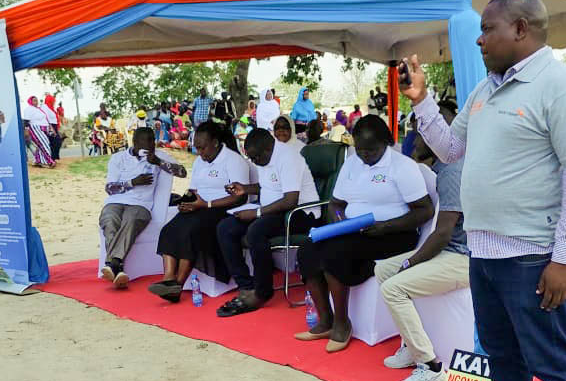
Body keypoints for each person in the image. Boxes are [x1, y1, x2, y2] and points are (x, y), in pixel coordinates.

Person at [401, 0, 566, 381]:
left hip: (532, 254)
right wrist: (422, 101)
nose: (479, 37)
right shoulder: (486, 89)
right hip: (484, 252)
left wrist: (564, 258)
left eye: (487, 28)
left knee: (553, 363)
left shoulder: (560, 86)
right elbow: (450, 149)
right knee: (503, 357)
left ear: (520, 29)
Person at [295, 115, 433, 352]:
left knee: (334, 252)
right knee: (307, 249)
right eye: (359, 149)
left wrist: (385, 226)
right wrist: (342, 225)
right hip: (356, 230)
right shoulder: (351, 163)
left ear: (386, 143)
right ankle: (325, 319)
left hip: (394, 233)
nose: (364, 155)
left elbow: (425, 210)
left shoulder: (402, 166)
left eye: (371, 150)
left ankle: (342, 322)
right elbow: (336, 204)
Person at [374, 102, 468, 381]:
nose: (414, 135)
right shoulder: (444, 166)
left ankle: (430, 368)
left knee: (394, 286)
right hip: (450, 251)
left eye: (421, 130)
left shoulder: (453, 170)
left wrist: (412, 262)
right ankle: (410, 346)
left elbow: (442, 233)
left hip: (464, 258)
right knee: (382, 269)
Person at [215, 129, 321, 316]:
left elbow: (290, 200)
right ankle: (246, 286)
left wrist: (255, 212)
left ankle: (262, 292)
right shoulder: (264, 157)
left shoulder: (288, 158)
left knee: (256, 231)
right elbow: (267, 185)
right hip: (272, 210)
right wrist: (245, 189)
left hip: (300, 214)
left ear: (268, 149)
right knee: (225, 228)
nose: (253, 162)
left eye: (255, 158)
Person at [149, 121, 251, 302]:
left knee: (191, 232)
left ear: (215, 143)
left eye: (202, 148)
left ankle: (177, 286)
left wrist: (207, 204)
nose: (199, 152)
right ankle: (168, 280)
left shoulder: (234, 161)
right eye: (196, 148)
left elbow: (240, 197)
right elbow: (194, 190)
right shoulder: (199, 162)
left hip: (224, 208)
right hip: (200, 206)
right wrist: (187, 201)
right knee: (169, 229)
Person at [99, 127, 187, 289]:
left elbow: (182, 172)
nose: (149, 145)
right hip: (116, 201)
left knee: (131, 219)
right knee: (109, 220)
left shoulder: (159, 157)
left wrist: (158, 163)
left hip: (141, 205)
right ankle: (117, 268)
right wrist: (132, 183)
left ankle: (113, 264)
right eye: (144, 141)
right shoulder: (118, 158)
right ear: (135, 142)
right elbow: (109, 188)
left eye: (152, 140)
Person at [22, 96, 55, 167]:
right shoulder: (28, 109)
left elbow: (46, 119)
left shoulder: (39, 109)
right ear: (30, 101)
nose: (36, 102)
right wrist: (26, 130)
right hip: (35, 128)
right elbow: (26, 121)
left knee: (41, 144)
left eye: (36, 101)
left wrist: (50, 128)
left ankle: (38, 160)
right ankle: (48, 162)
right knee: (44, 143)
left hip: (44, 128)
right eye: (34, 101)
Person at [42, 94, 61, 160]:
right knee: (54, 141)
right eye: (53, 101)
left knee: (57, 141)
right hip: (50, 126)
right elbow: (45, 118)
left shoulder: (52, 108)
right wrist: (51, 128)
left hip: (54, 126)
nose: (54, 102)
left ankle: (54, 157)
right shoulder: (44, 107)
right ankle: (52, 158)